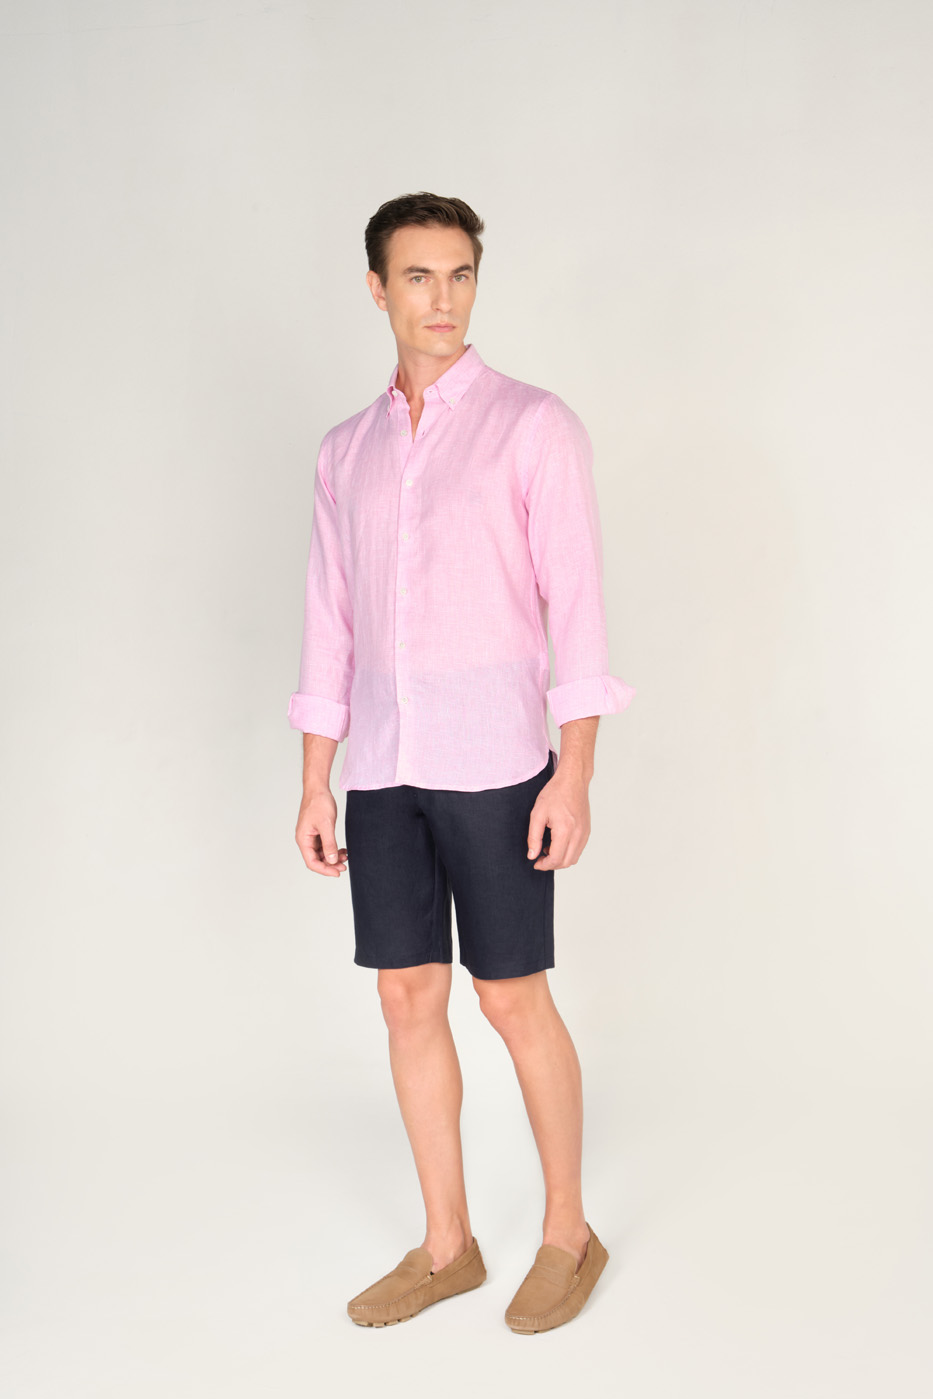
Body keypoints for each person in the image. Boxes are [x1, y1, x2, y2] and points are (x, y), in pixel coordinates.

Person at [287, 191, 636, 1334]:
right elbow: (330, 622)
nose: (443, 298)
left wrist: (574, 773)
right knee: (405, 996)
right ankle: (449, 1245)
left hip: (498, 761)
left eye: (461, 274)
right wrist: (315, 777)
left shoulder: (534, 426)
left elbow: (577, 611)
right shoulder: (345, 452)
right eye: (418, 276)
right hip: (384, 768)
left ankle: (568, 1233)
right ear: (377, 287)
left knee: (511, 996)